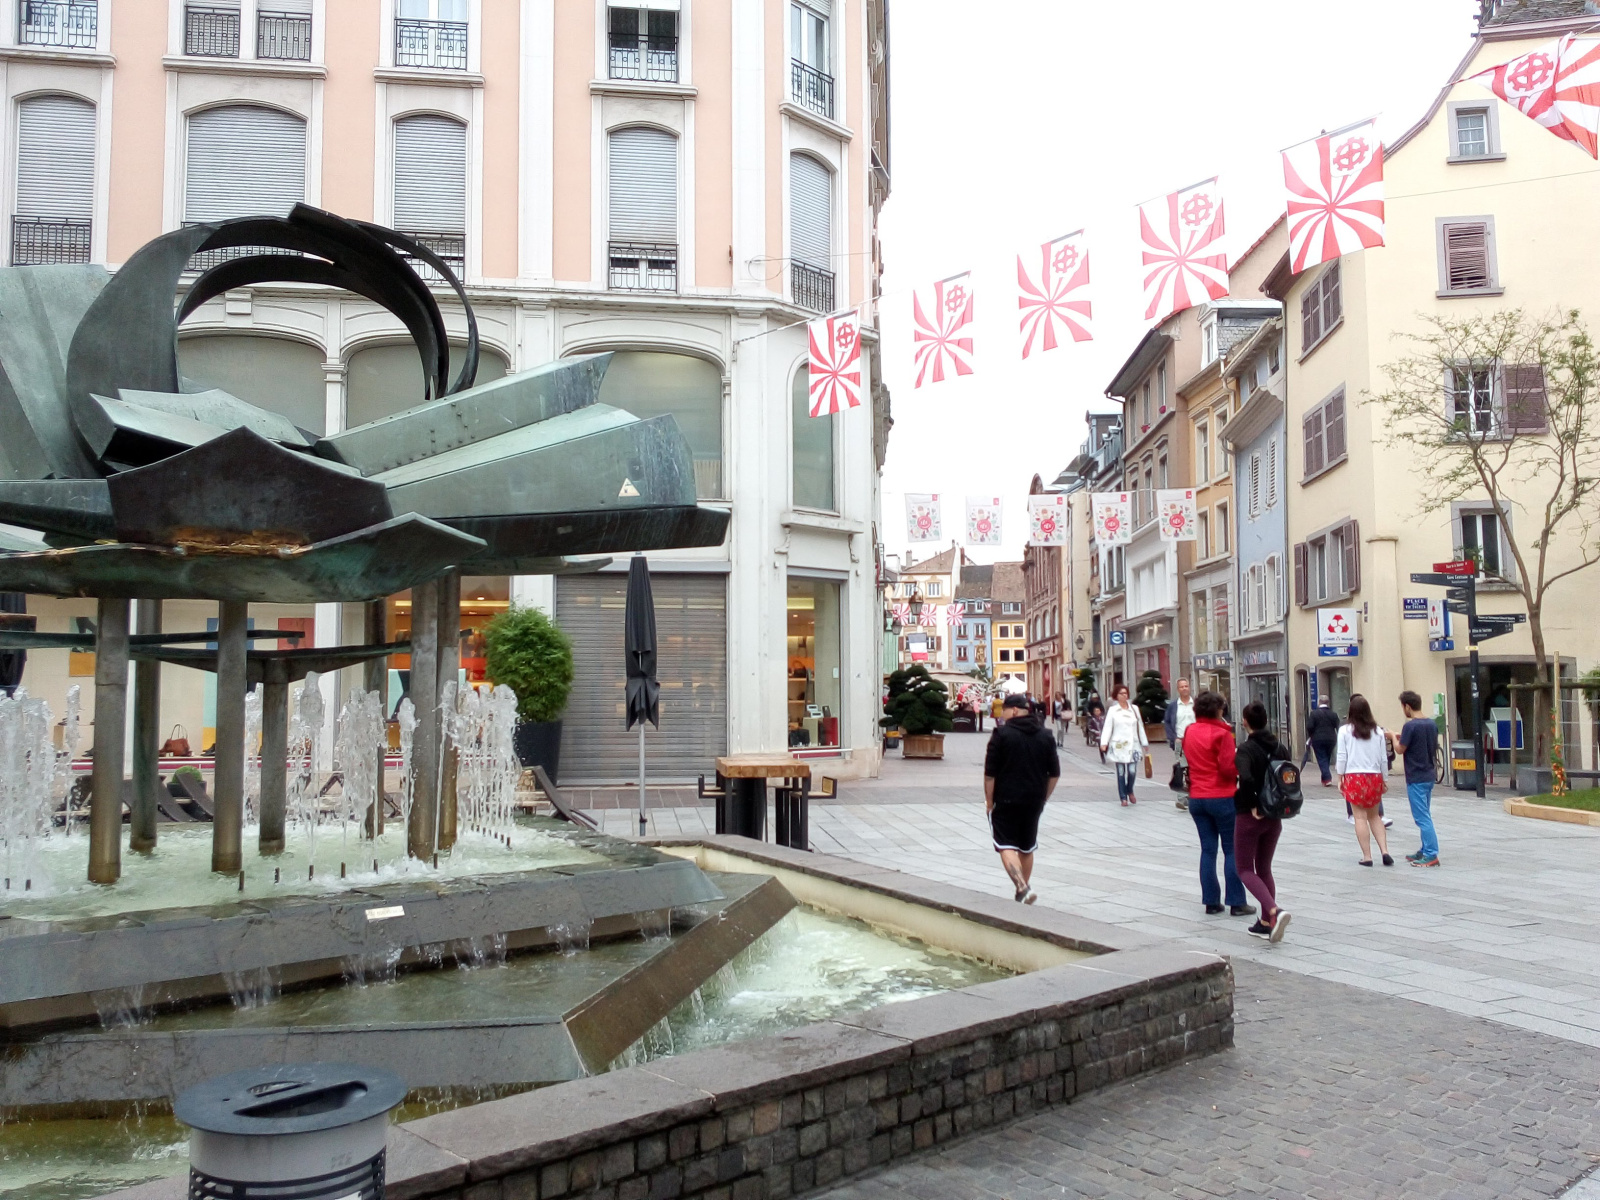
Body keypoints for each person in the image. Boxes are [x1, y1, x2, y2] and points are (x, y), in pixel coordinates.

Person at [1182, 690, 1255, 917]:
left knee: (1208, 850)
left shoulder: (1189, 731)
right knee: (1232, 850)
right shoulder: (1222, 734)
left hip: (1197, 797)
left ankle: (1211, 901)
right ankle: (1236, 901)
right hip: (1222, 796)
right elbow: (1227, 768)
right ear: (1218, 710)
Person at [984, 692, 1061, 904]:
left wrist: (989, 801)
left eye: (1005, 710)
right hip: (1034, 800)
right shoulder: (1046, 735)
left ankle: (1021, 887)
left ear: (1015, 710)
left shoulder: (1001, 734)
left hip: (1006, 798)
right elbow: (1055, 773)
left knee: (1005, 844)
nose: (1002, 714)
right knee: (1026, 847)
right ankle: (1023, 892)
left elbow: (990, 774)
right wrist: (1043, 797)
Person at [1234, 701, 1292, 942]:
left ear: (1245, 722)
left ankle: (1273, 910)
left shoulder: (1245, 749)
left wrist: (1254, 804)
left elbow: (1246, 779)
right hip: (1275, 814)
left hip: (1250, 816)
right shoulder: (1280, 747)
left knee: (1244, 869)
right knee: (1264, 868)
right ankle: (1266, 923)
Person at [1336, 693, 1393, 866]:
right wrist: (1385, 779)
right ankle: (1385, 851)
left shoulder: (1345, 731)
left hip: (1354, 776)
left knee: (1360, 818)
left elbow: (1342, 756)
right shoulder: (1378, 731)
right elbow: (1383, 758)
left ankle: (1367, 856)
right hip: (1374, 776)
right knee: (1375, 816)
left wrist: (1340, 776)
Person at [1392, 691, 1442, 867]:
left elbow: (1400, 749)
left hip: (1416, 776)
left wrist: (1392, 737)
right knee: (1425, 813)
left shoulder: (1410, 726)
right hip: (1429, 774)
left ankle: (1431, 853)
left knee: (1422, 817)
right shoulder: (1431, 724)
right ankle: (1424, 848)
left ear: (1407, 706)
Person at [1099, 683, 1147, 805]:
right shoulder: (1113, 710)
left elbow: (1140, 726)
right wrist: (1104, 742)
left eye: (1125, 693)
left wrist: (1144, 742)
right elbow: (1108, 727)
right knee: (1120, 772)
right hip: (1119, 745)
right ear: (1116, 696)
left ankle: (1130, 790)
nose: (1124, 695)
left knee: (1132, 771)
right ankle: (1123, 797)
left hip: (1133, 744)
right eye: (1121, 693)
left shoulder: (1134, 709)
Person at [1164, 678, 1197, 811]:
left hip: (1195, 741)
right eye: (1181, 687)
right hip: (1180, 741)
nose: (1184, 688)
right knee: (1182, 769)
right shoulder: (1173, 706)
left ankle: (1193, 796)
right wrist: (1173, 737)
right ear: (1178, 689)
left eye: (1186, 686)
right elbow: (1167, 722)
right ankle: (1182, 798)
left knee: (1194, 768)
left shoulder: (1196, 704)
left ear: (1190, 687)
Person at [1302, 697, 1340, 787]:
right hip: (1331, 739)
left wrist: (1311, 735)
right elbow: (1338, 726)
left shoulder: (1314, 714)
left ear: (1319, 702)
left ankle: (1327, 778)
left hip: (1317, 739)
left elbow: (1309, 726)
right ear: (1328, 702)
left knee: (1322, 758)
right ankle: (1324, 778)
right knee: (1326, 757)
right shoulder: (1333, 714)